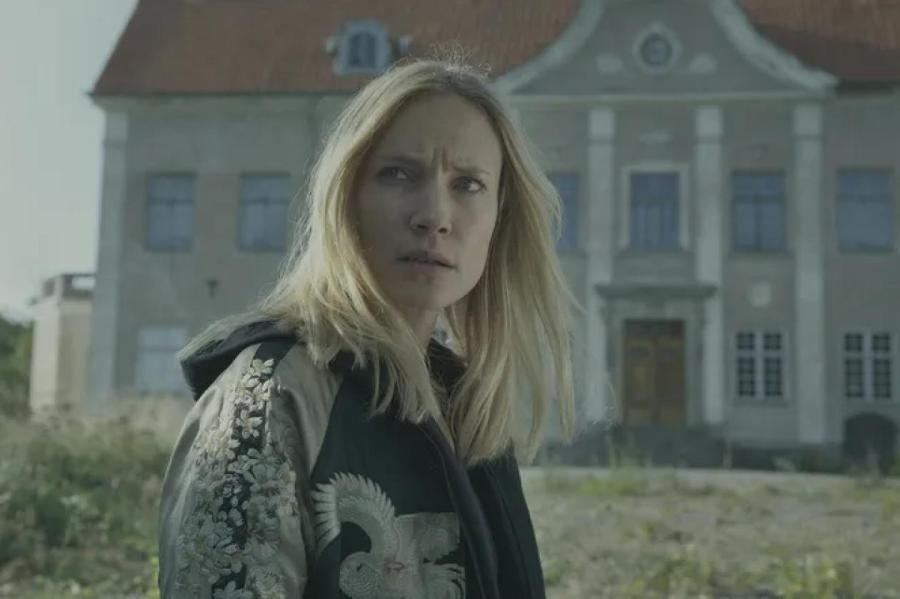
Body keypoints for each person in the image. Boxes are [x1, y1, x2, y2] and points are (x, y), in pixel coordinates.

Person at [157, 57, 575, 599]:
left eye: (468, 184)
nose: (434, 215)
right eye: (398, 174)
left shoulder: (465, 404)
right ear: (346, 197)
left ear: (501, 218)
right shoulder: (269, 397)